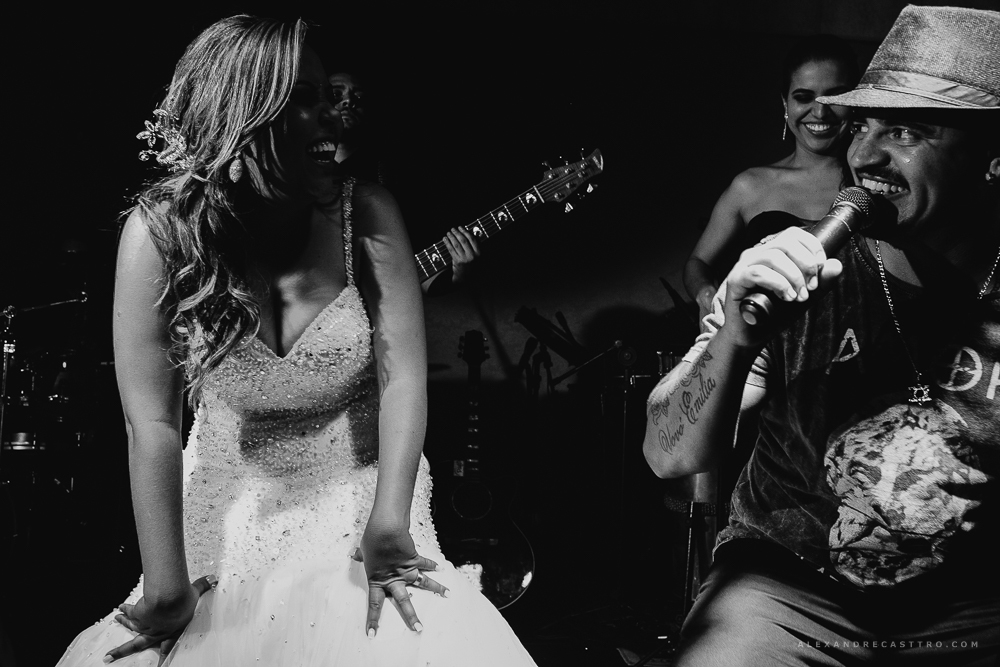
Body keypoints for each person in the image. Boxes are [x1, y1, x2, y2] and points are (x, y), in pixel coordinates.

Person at [56, 15, 537, 666]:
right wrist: (167, 587)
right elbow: (153, 424)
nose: (328, 116)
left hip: (356, 483)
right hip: (228, 490)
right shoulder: (161, 234)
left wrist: (389, 523)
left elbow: (403, 380)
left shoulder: (364, 214)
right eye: (302, 99)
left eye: (324, 94)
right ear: (248, 111)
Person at [645, 5, 999, 666]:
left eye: (905, 130)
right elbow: (668, 456)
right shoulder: (802, 267)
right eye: (861, 125)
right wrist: (733, 338)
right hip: (790, 590)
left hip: (971, 605)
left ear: (992, 159)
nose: (863, 154)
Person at [684, 35, 860, 322]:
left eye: (835, 97)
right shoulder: (751, 185)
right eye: (804, 97)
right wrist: (706, 294)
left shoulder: (873, 183)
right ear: (785, 103)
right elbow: (697, 262)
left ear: (855, 102)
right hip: (768, 350)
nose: (819, 111)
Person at [328, 71, 481, 293]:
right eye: (336, 93)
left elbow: (417, 269)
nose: (349, 101)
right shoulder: (299, 172)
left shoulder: (391, 178)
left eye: (359, 97)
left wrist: (460, 273)